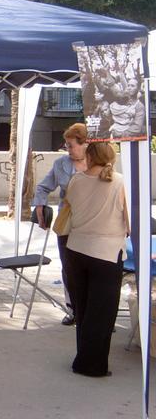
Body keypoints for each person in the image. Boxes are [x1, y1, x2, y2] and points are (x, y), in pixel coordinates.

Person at [64, 142, 129, 377]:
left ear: (89, 156)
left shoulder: (76, 180)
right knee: (102, 313)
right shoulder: (120, 182)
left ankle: (83, 357)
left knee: (82, 308)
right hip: (106, 252)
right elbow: (130, 223)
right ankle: (92, 363)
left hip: (76, 249)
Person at [32, 123, 88, 326]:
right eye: (67, 146)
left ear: (85, 144)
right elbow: (43, 187)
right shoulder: (61, 164)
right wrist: (40, 206)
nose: (68, 150)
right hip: (67, 222)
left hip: (91, 224)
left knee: (90, 268)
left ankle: (94, 314)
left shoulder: (98, 163)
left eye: (71, 145)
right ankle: (73, 309)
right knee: (69, 266)